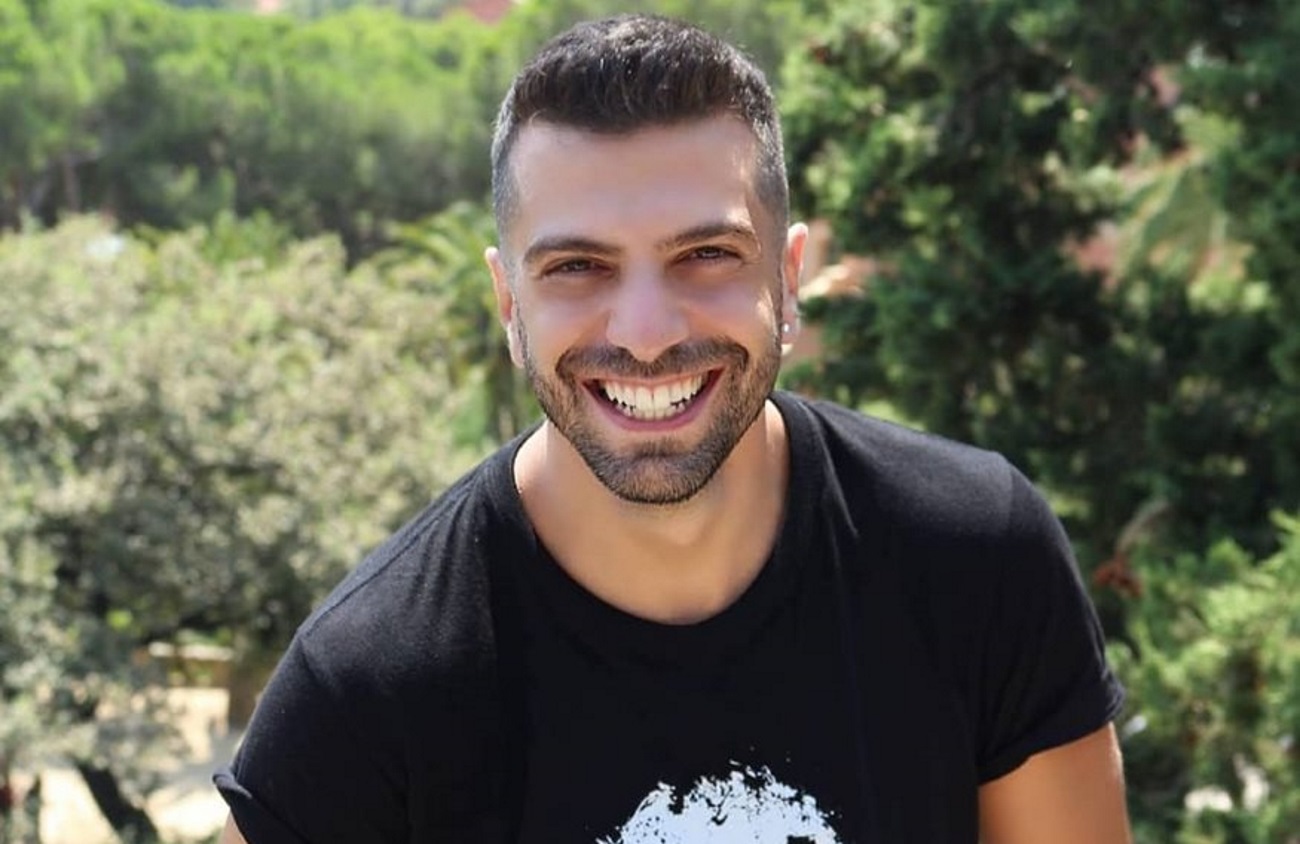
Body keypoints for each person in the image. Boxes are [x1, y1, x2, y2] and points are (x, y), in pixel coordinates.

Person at [215, 14, 1131, 843]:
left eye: (706, 254)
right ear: (508, 302)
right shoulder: (369, 685)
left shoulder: (976, 558)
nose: (646, 333)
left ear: (788, 280)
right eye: (577, 267)